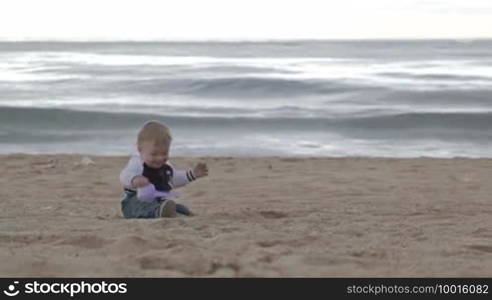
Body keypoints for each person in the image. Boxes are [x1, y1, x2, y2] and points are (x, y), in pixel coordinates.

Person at [119, 120, 208, 218]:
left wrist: (193, 174)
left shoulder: (165, 166)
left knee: (180, 208)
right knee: (142, 208)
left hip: (157, 199)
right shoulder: (137, 163)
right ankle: (159, 212)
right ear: (140, 150)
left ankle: (174, 212)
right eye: (154, 154)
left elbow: (174, 179)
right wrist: (134, 180)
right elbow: (124, 176)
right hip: (134, 200)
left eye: (164, 153)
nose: (160, 158)